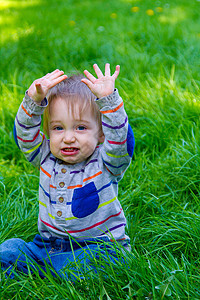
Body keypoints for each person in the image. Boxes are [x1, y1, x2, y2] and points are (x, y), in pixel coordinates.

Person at [0, 64, 135, 280]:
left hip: (98, 246)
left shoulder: (107, 162)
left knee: (103, 262)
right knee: (9, 251)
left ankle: (56, 271)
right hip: (48, 246)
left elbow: (121, 141)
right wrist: (33, 101)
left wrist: (109, 102)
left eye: (80, 128)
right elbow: (23, 134)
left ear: (101, 133)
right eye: (58, 128)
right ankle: (54, 268)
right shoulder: (45, 156)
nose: (68, 137)